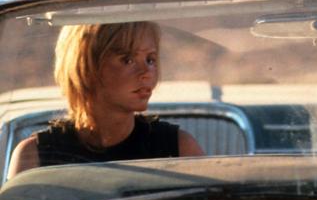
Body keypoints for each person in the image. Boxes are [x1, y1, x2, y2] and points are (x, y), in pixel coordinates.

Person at [7, 22, 204, 179]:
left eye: (150, 59)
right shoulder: (35, 156)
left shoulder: (179, 148)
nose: (147, 73)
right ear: (86, 66)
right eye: (128, 60)